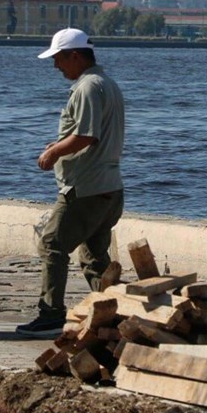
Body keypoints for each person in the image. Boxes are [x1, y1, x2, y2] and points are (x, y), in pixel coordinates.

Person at [16, 28, 126, 337]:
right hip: (108, 187)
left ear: (75, 56)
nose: (56, 66)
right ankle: (118, 312)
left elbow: (87, 135)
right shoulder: (107, 84)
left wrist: (53, 152)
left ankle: (50, 313)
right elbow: (90, 133)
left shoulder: (88, 87)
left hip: (85, 189)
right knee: (93, 258)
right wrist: (63, 142)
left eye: (59, 59)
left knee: (52, 245)